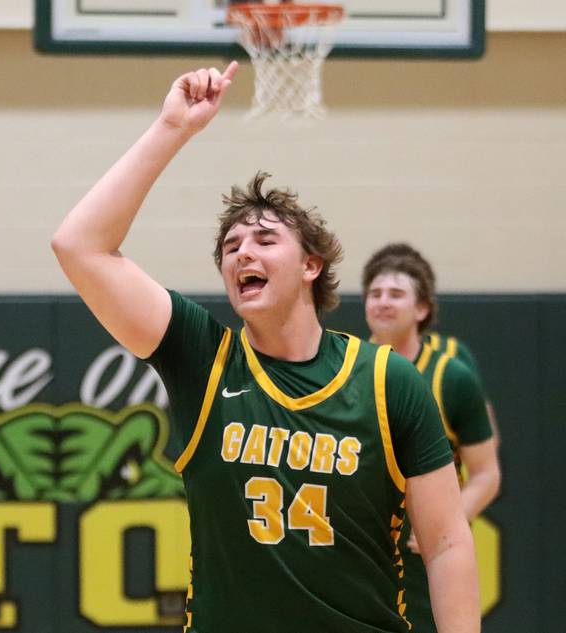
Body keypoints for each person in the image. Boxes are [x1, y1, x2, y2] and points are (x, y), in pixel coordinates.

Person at [52, 62, 480, 632]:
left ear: (310, 265)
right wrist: (172, 128)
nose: (242, 253)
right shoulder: (201, 359)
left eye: (264, 239)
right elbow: (79, 245)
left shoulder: (386, 380)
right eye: (230, 246)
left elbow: (449, 541)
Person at [363, 243, 501, 632]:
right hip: (364, 546)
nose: (383, 302)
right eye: (375, 293)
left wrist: (447, 524)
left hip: (425, 550)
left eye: (396, 294)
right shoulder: (345, 368)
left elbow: (487, 473)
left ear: (421, 309)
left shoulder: (453, 377)